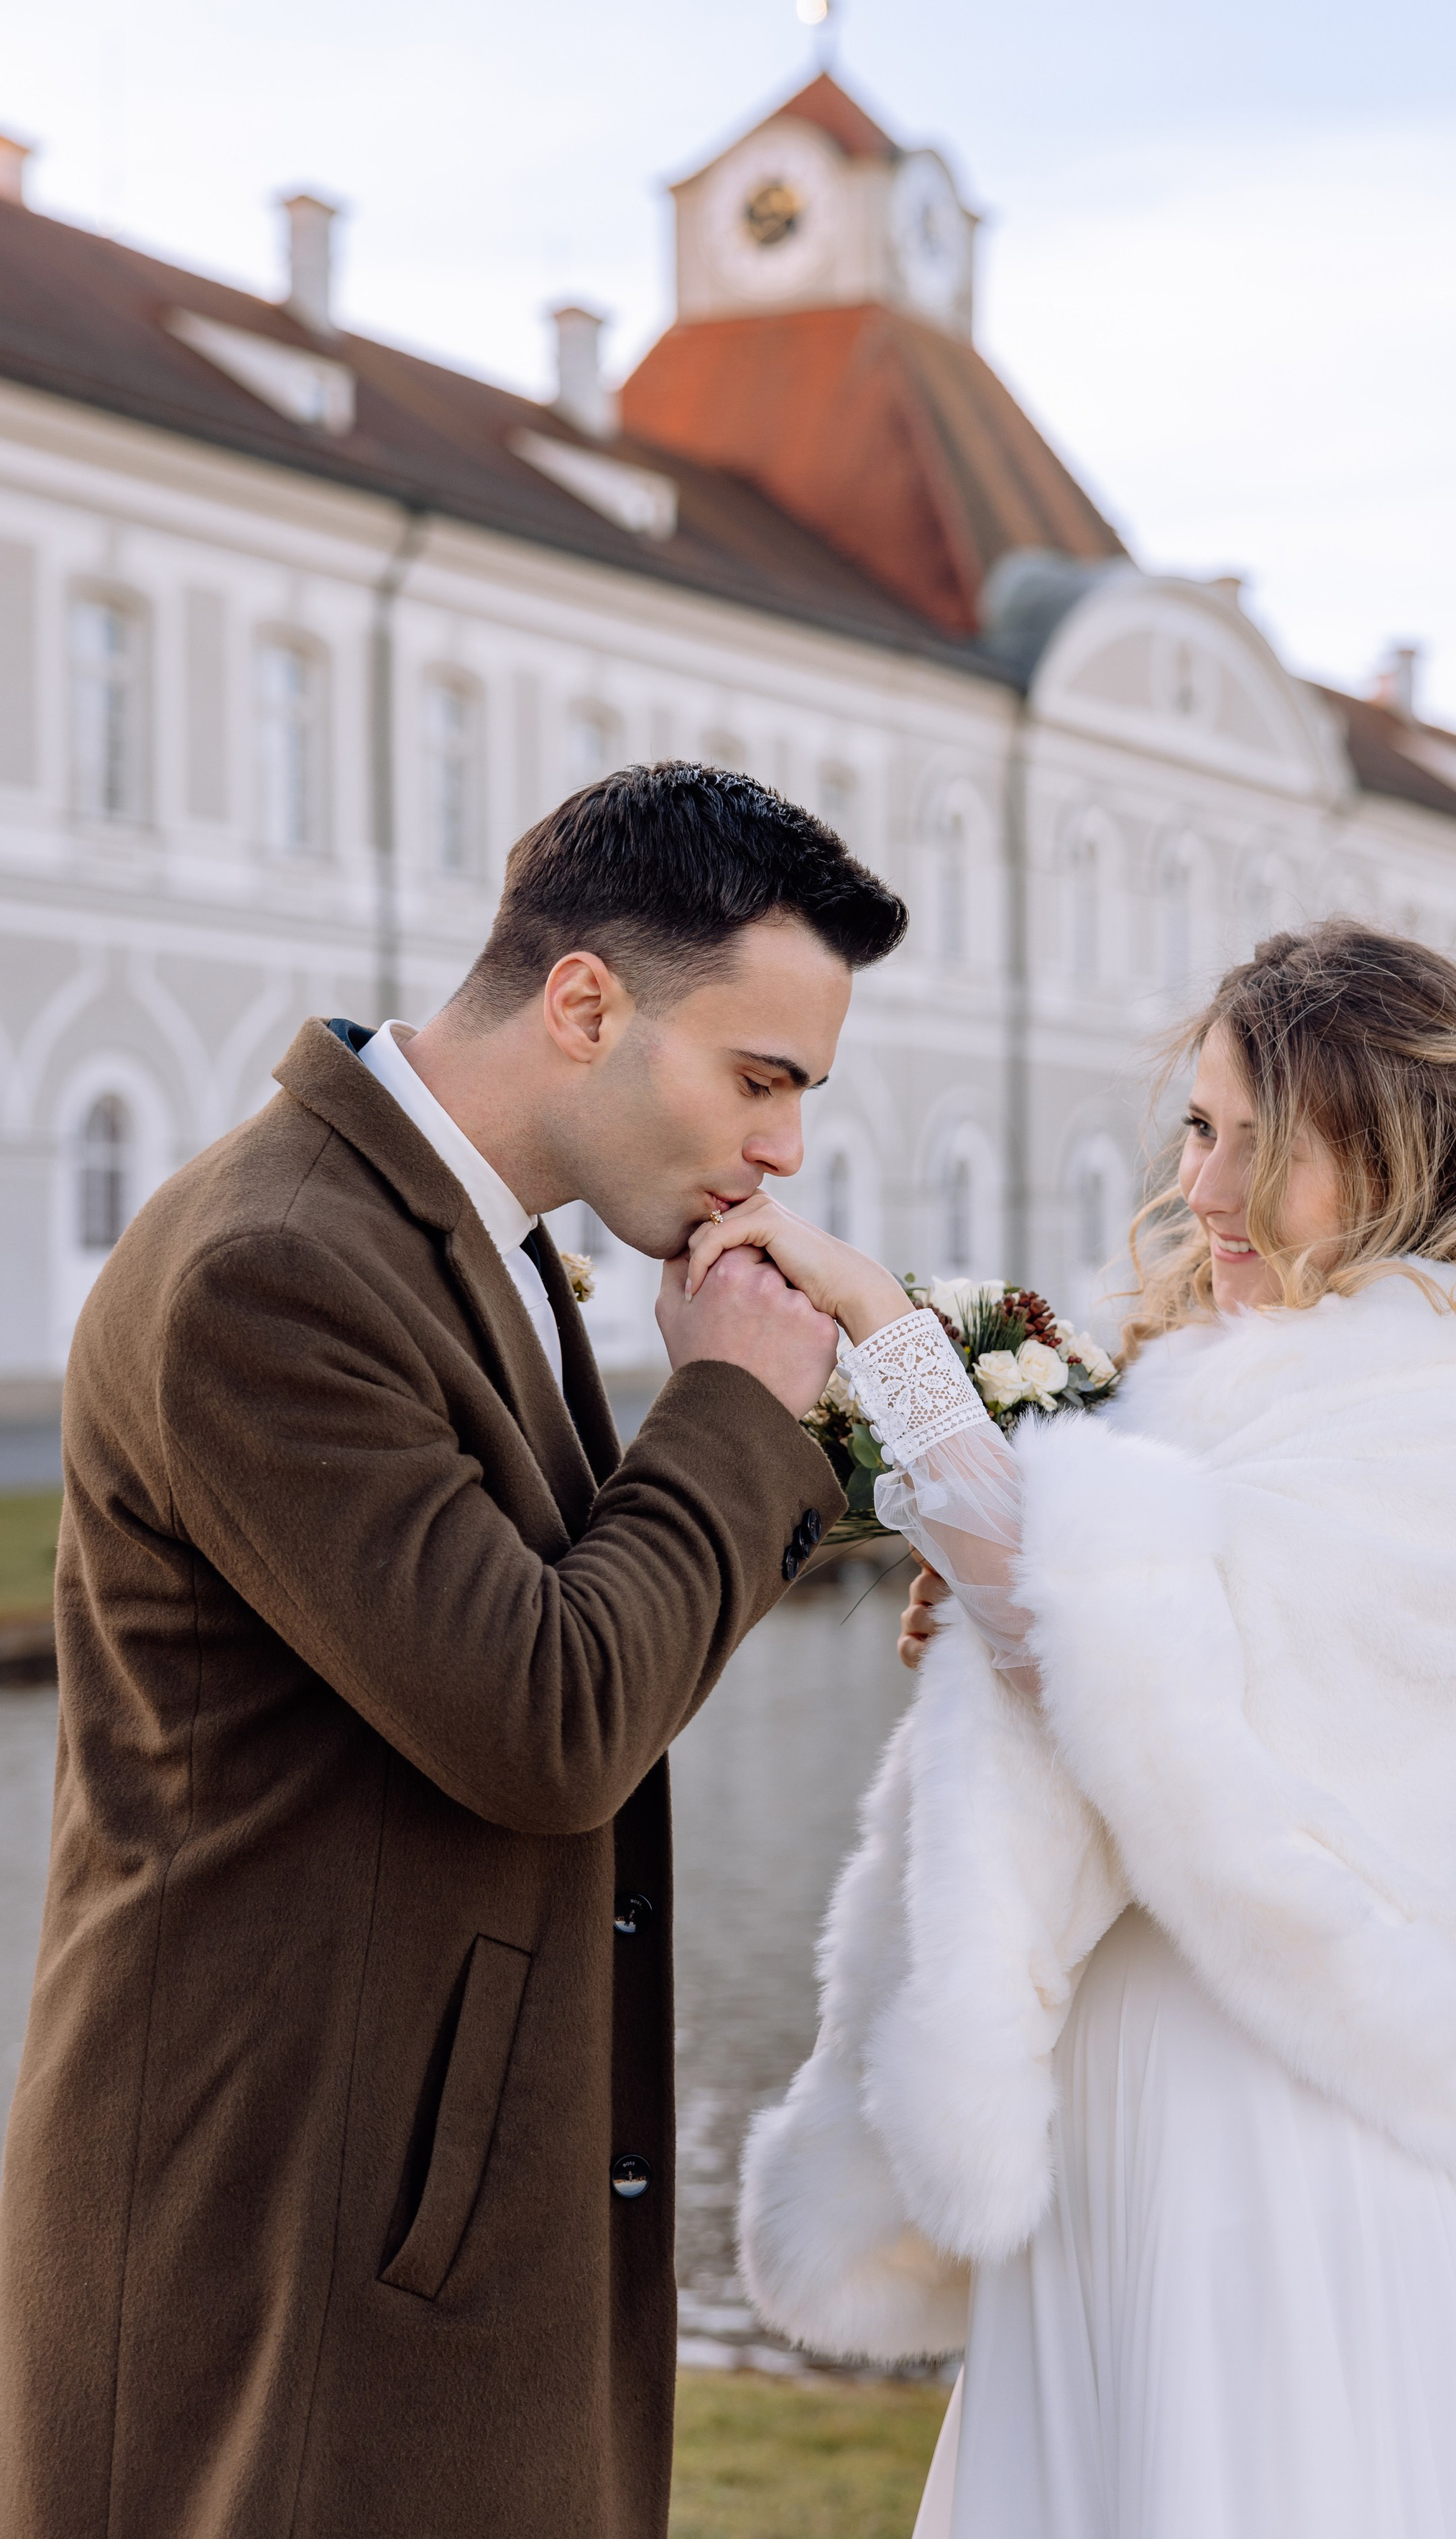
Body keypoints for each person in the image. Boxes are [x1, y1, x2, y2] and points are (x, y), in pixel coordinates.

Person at [686, 923, 1456, 2539]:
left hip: (1276, 2143)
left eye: (1274, 1141)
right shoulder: (1241, 1397)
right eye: (1198, 1126)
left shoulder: (1452, 1416)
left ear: (1392, 1149)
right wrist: (989, 1604)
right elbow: (1107, 1663)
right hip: (1118, 2136)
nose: (1209, 1186)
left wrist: (898, 1355)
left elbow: (1139, 1682)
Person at [0, 762, 906, 2539]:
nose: (781, 1147)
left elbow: (602, 1625)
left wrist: (855, 1449)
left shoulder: (480, 1253)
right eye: (758, 1077)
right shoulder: (273, 1267)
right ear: (585, 1002)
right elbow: (549, 1718)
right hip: (280, 2241)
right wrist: (724, 1399)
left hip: (413, 2215)